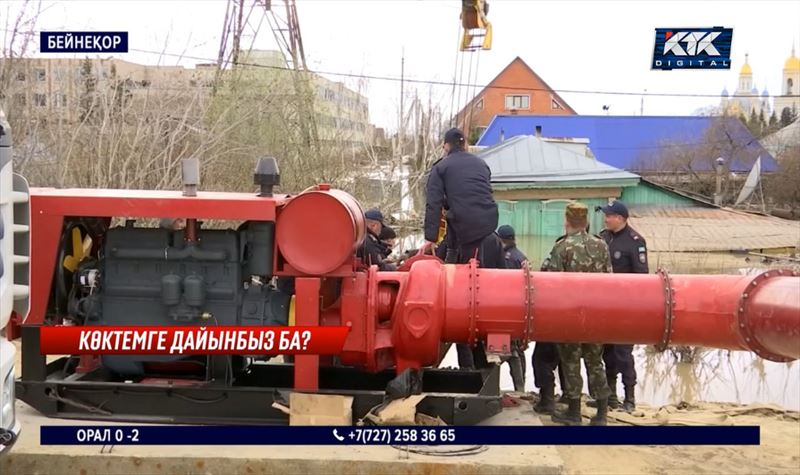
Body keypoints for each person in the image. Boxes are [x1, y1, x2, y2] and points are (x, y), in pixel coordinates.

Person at [423, 128, 504, 369]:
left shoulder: (441, 168)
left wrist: (429, 238)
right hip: (490, 232)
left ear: (445, 146)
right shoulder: (481, 165)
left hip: (468, 238)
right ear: (465, 145)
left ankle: (470, 369)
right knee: (495, 296)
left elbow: (433, 204)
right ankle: (493, 358)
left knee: (465, 303)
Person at [544, 202, 612, 426]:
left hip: (571, 315)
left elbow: (550, 282)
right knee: (595, 361)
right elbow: (609, 278)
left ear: (567, 221)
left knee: (571, 362)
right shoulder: (601, 245)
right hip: (596, 314)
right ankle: (601, 413)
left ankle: (574, 412)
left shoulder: (562, 247)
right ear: (585, 222)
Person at [598, 200, 648, 413]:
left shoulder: (635, 241)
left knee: (624, 355)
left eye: (609, 215)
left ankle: (629, 399)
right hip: (605, 308)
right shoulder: (603, 237)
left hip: (625, 310)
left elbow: (642, 278)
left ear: (620, 218)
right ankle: (610, 398)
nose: (605, 218)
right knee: (606, 353)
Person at [495, 224, 528, 392]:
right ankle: (520, 389)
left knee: (497, 352)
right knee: (518, 353)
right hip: (520, 312)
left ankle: (492, 388)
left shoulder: (503, 257)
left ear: (502, 239)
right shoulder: (521, 257)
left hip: (501, 311)